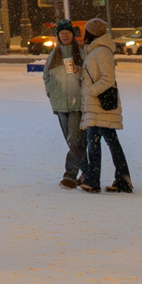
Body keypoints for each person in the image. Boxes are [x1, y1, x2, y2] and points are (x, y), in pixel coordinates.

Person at [78, 18, 132, 194]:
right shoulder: (96, 51)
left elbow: (108, 78)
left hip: (100, 106)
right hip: (98, 106)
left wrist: (91, 91)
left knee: (94, 142)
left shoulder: (101, 51)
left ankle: (94, 181)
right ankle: (123, 180)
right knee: (111, 142)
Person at [41, 22, 87, 188]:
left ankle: (70, 175)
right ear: (58, 36)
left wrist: (77, 70)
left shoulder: (82, 54)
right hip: (60, 104)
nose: (65, 35)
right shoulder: (53, 55)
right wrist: (50, 92)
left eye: (67, 32)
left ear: (72, 35)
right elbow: (46, 77)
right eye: (62, 33)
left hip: (77, 104)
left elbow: (89, 77)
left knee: (75, 140)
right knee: (73, 142)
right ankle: (88, 172)